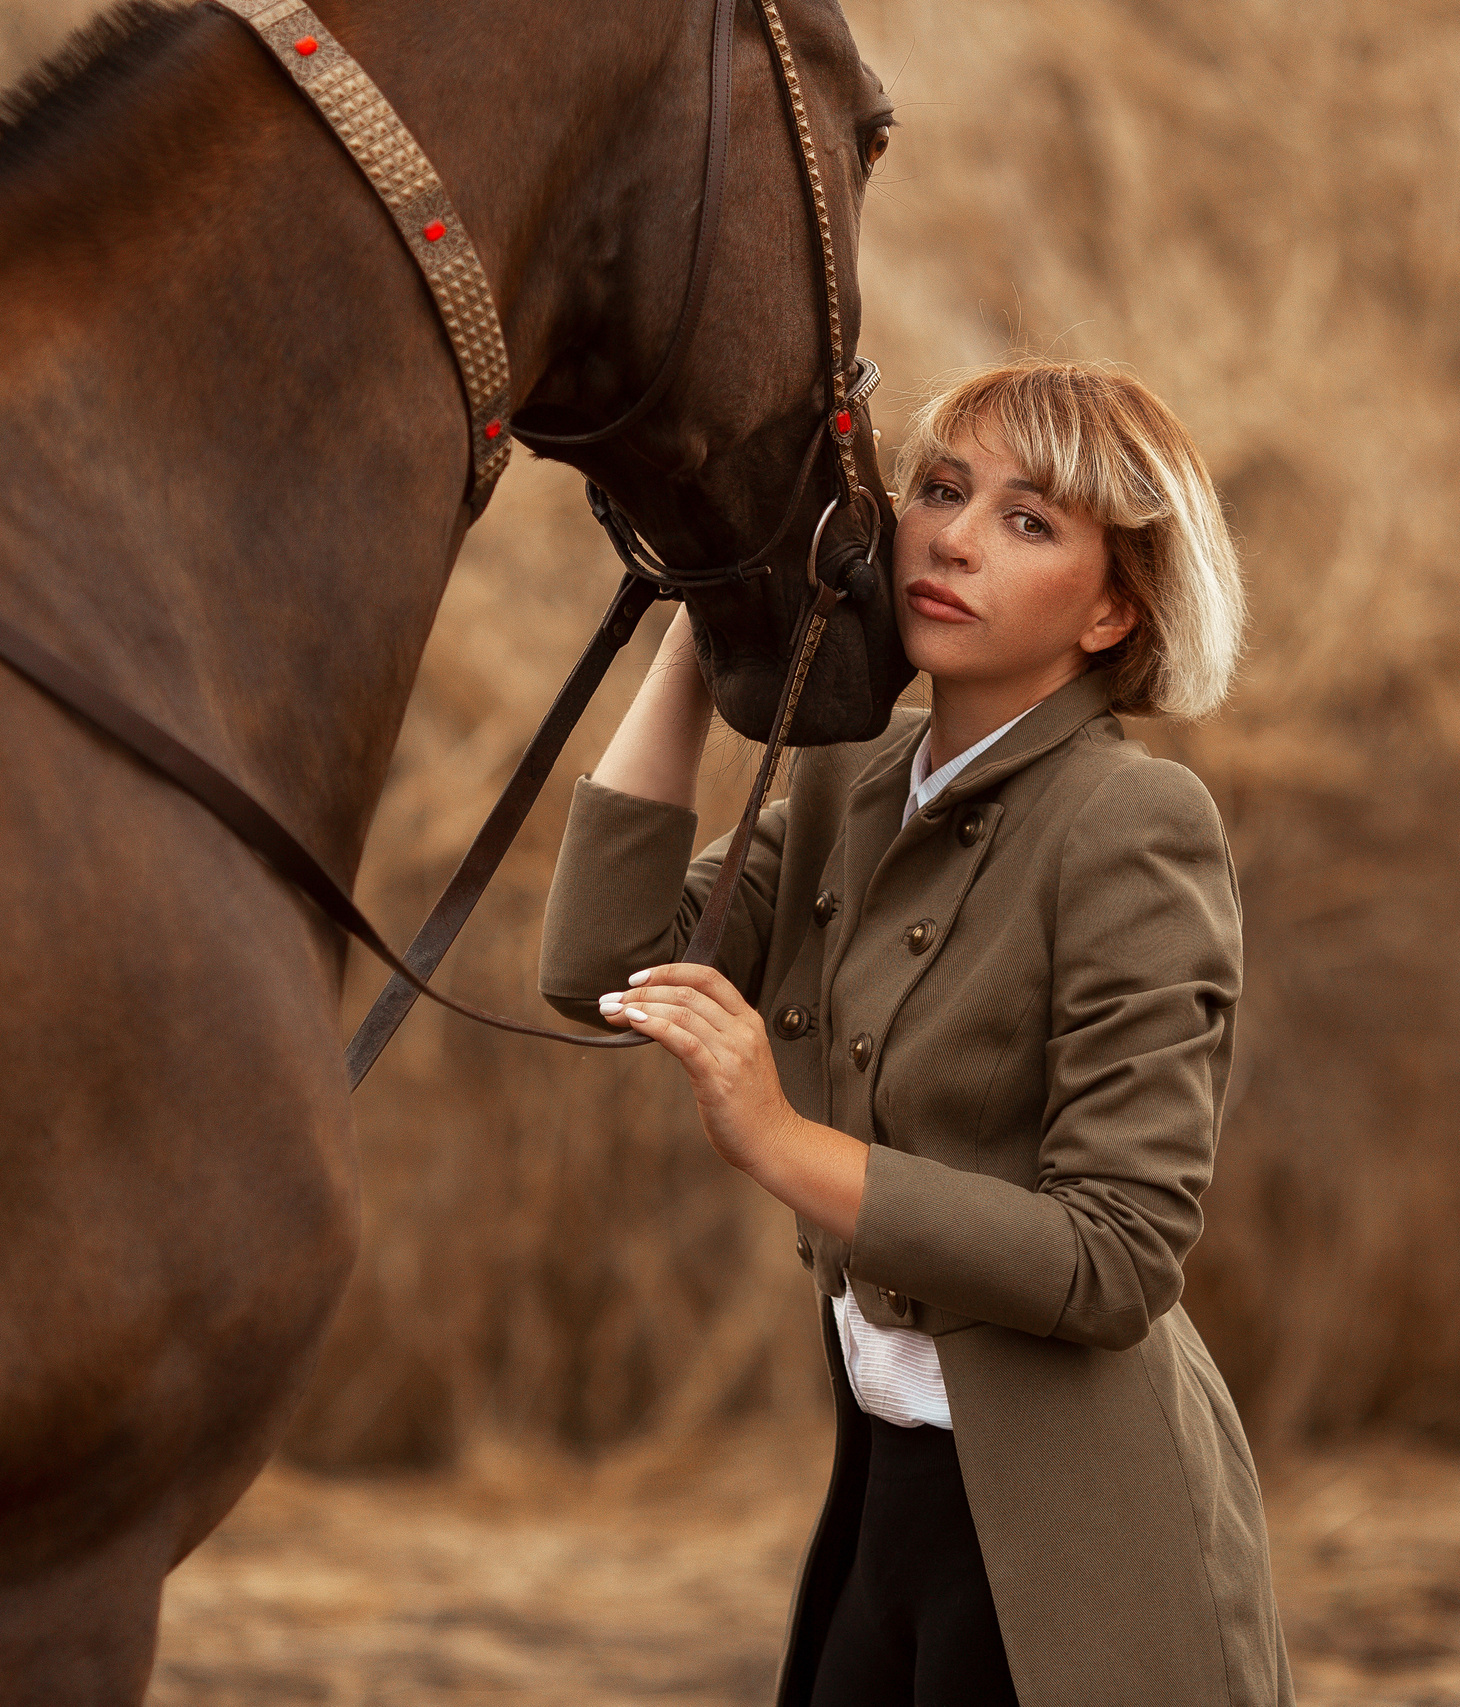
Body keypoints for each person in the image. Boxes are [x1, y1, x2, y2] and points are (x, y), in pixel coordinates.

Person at [538, 357, 1291, 1706]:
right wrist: (707, 628)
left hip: (1071, 1544)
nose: (952, 535)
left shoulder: (1135, 825)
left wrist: (777, 1137)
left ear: (1116, 611)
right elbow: (606, 963)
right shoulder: (852, 783)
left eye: (1029, 520)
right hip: (883, 1510)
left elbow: (1118, 1258)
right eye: (941, 491)